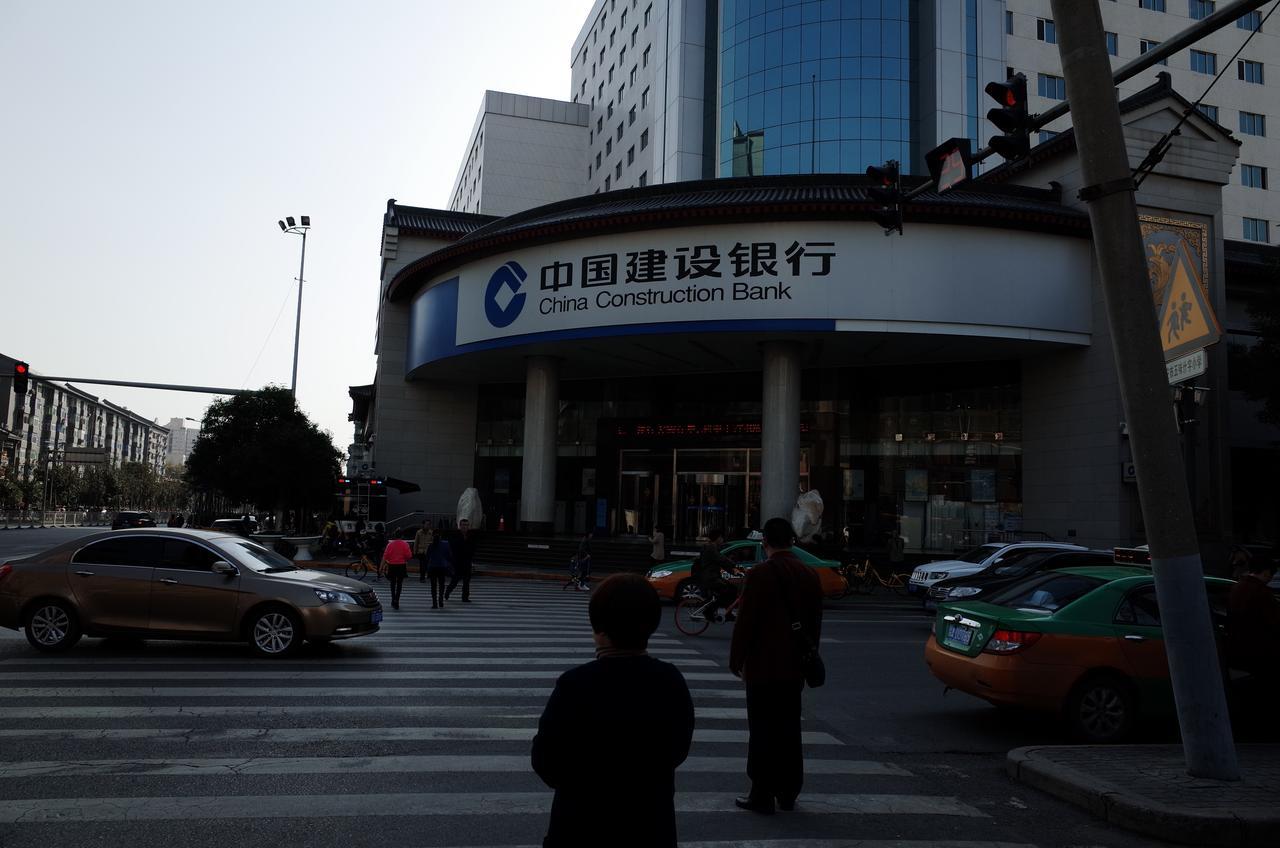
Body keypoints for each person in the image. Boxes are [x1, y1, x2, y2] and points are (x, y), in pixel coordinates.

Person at [532, 573, 694, 848]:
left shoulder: (575, 684)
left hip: (580, 825)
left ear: (599, 628)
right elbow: (678, 749)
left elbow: (546, 760)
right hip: (650, 824)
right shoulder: (669, 680)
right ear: (651, 625)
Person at [729, 516, 823, 815]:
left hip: (763, 666)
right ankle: (788, 791)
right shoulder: (809, 574)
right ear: (792, 541)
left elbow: (745, 623)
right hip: (794, 666)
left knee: (762, 730)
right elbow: (815, 626)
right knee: (789, 728)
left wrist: (736, 659)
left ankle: (762, 792)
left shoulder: (759, 574)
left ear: (764, 542)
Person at [1227, 555, 1280, 692]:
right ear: (1266, 572)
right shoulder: (1261, 592)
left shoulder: (1236, 588)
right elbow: (1273, 622)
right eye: (1271, 575)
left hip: (1239, 650)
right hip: (1261, 653)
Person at [694, 528, 739, 616]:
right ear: (718, 538)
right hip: (710, 578)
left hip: (713, 576)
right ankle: (709, 612)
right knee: (727, 591)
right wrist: (735, 565)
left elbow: (721, 563)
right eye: (722, 538)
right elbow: (722, 559)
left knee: (732, 589)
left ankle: (728, 613)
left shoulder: (712, 547)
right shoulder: (710, 548)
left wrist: (734, 571)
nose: (722, 540)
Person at [445, 517, 476, 602]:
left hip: (467, 561)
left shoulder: (471, 536)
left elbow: (473, 548)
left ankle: (465, 597)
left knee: (466, 581)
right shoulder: (455, 535)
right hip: (458, 562)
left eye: (466, 525)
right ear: (460, 526)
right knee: (455, 580)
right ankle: (448, 591)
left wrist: (471, 560)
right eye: (463, 525)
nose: (465, 527)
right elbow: (453, 548)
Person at [380, 531, 413, 610]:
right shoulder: (405, 544)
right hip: (401, 566)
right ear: (402, 536)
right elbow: (409, 556)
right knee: (399, 584)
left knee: (392, 583)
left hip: (392, 566)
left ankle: (393, 599)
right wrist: (405, 559)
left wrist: (381, 567)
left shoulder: (390, 544)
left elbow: (385, 556)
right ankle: (397, 600)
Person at [424, 529, 454, 609]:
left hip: (433, 567)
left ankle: (434, 603)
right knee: (441, 584)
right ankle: (441, 600)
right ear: (440, 536)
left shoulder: (431, 545)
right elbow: (450, 556)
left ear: (432, 536)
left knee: (433, 586)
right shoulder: (446, 544)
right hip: (442, 567)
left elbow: (427, 557)